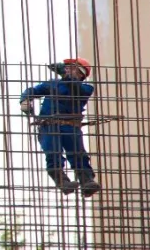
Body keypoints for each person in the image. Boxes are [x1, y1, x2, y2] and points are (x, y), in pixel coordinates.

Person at [19, 57, 101, 197]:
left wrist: (65, 75)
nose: (66, 69)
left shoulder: (86, 88)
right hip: (49, 126)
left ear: (81, 73)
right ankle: (62, 181)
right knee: (53, 153)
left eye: (71, 67)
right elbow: (33, 90)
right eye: (66, 67)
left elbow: (75, 87)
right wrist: (25, 99)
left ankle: (86, 181)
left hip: (70, 127)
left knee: (78, 154)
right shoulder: (53, 84)